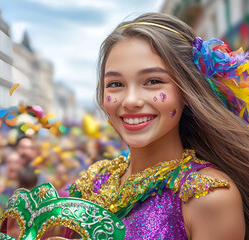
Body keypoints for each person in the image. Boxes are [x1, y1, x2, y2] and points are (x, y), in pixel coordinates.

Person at [51, 12, 248, 240]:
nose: (130, 100)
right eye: (116, 84)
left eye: (153, 81)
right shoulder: (93, 181)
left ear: (185, 91)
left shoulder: (208, 195)